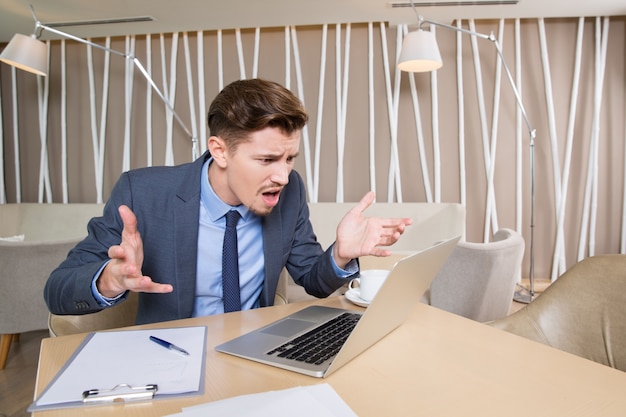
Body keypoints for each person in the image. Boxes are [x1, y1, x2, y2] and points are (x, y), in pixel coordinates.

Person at [44, 78, 412, 325]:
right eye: (267, 160)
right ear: (220, 151)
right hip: (169, 353)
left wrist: (342, 254)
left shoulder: (290, 191)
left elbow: (313, 280)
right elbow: (57, 290)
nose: (283, 176)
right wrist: (110, 279)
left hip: (256, 351)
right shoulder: (142, 193)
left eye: (290, 159)